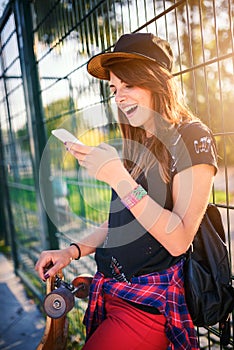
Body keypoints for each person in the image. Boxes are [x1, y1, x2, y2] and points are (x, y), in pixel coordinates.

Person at [35, 33, 217, 349]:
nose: (118, 98)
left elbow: (179, 239)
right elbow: (121, 224)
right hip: (110, 291)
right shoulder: (138, 142)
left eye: (128, 86)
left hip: (148, 307)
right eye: (114, 89)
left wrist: (118, 178)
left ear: (157, 83)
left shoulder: (192, 137)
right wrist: (71, 251)